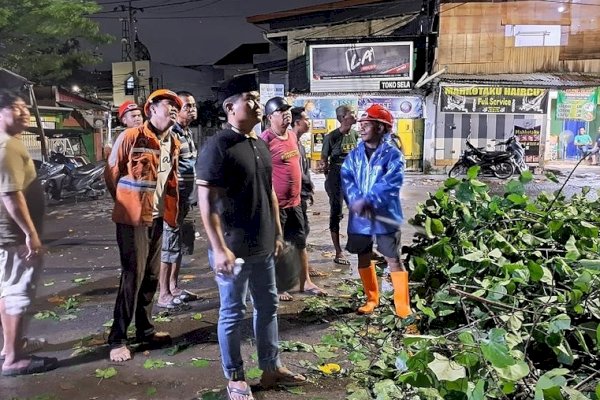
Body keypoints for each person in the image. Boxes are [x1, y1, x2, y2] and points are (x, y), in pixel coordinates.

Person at [196, 76, 306, 400]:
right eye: (250, 99)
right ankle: (236, 378)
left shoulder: (259, 144)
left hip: (263, 246)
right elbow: (207, 201)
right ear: (231, 107)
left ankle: (271, 369)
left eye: (258, 98)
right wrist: (218, 249)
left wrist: (277, 233)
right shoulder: (218, 145)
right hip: (233, 249)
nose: (258, 104)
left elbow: (270, 192)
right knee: (232, 313)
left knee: (268, 307)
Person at [104, 89, 183, 362]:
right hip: (133, 219)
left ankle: (145, 330)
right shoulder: (130, 137)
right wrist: (126, 202)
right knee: (132, 276)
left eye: (176, 106)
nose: (174, 108)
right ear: (151, 109)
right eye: (168, 104)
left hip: (158, 216)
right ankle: (118, 338)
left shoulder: (173, 142)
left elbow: (169, 179)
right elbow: (112, 172)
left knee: (151, 276)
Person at [0, 90, 58, 376]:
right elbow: (11, 195)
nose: (24, 112)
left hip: (8, 237)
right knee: (17, 292)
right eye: (16, 107)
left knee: (8, 291)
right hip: (13, 237)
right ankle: (13, 359)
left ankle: (11, 346)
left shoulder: (10, 142)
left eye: (25, 107)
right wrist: (30, 234)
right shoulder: (6, 146)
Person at [341, 104, 411, 318]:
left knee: (392, 258)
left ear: (381, 127)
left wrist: (368, 201)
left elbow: (392, 183)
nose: (360, 128)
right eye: (360, 124)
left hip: (384, 215)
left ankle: (402, 306)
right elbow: (346, 178)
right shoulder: (354, 155)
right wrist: (355, 200)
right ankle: (371, 299)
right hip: (360, 216)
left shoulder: (393, 155)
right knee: (363, 255)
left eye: (366, 124)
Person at [261, 99, 326, 301]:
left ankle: (305, 280)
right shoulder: (265, 140)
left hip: (295, 202)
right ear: (270, 117)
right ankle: (278, 286)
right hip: (277, 204)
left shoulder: (291, 135)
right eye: (280, 111)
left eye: (287, 110)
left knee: (300, 242)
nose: (286, 113)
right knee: (278, 245)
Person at [157, 91, 200, 308]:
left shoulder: (186, 132)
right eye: (187, 106)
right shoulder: (170, 133)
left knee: (182, 243)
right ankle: (163, 293)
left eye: (193, 105)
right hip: (173, 198)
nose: (192, 109)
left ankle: (174, 286)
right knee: (169, 244)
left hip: (187, 198)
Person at [320, 105, 359, 266]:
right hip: (336, 178)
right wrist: (329, 177)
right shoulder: (331, 137)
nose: (355, 115)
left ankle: (360, 246)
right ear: (342, 118)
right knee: (336, 213)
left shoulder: (355, 135)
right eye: (351, 113)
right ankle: (338, 251)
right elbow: (324, 161)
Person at [290, 107, 326, 279]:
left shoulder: (300, 144)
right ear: (296, 123)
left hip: (301, 195)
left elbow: (303, 170)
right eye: (306, 119)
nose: (309, 122)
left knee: (304, 229)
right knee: (295, 232)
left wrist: (308, 188)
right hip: (291, 198)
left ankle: (302, 265)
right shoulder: (288, 143)